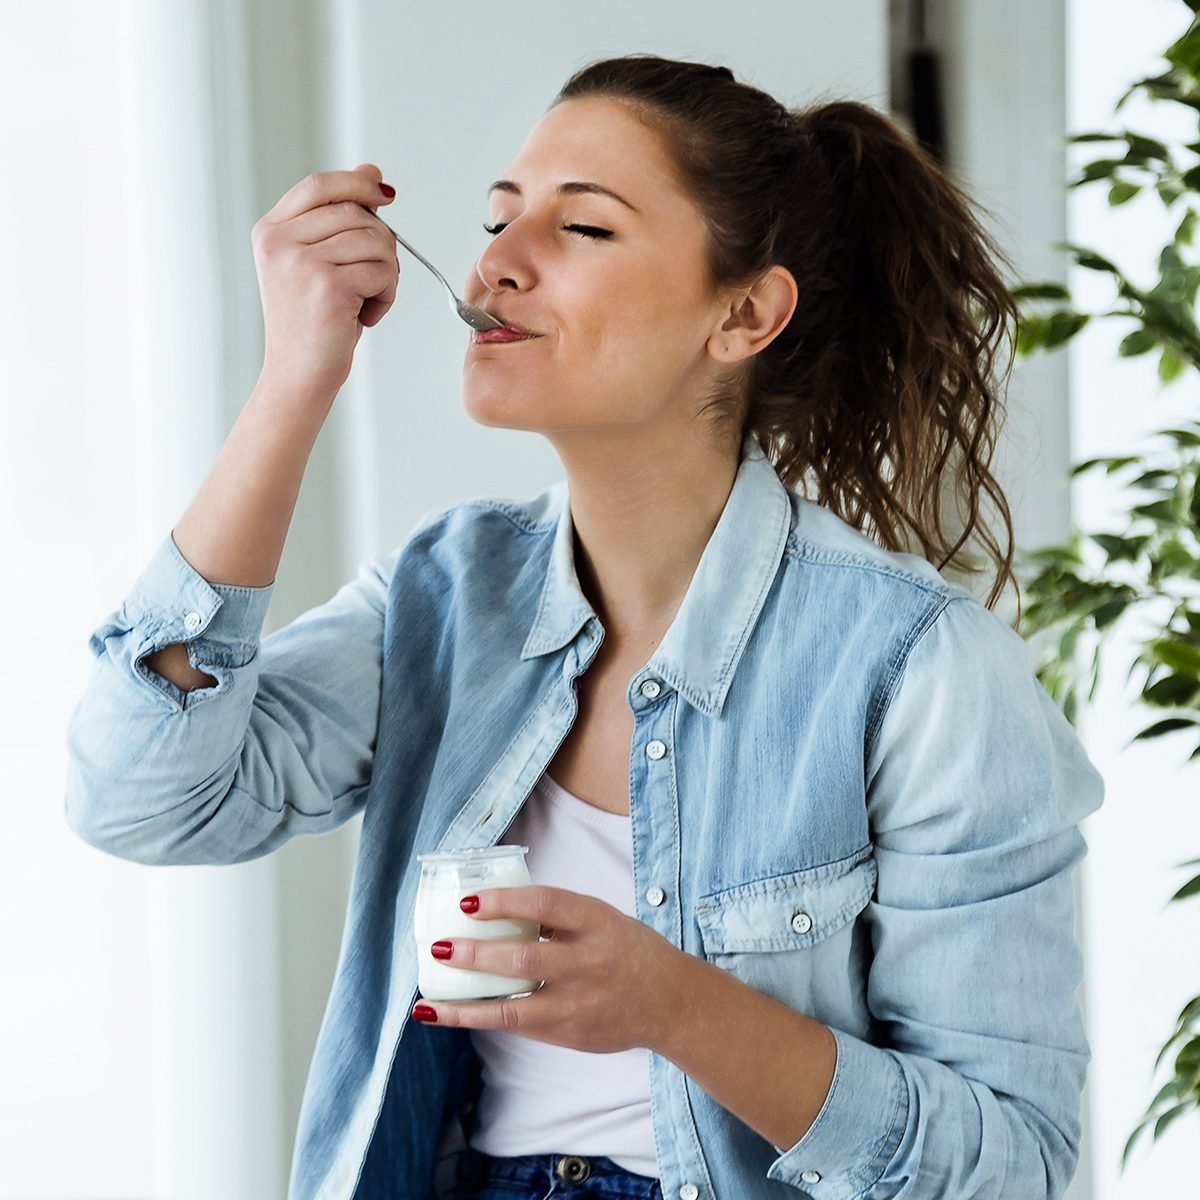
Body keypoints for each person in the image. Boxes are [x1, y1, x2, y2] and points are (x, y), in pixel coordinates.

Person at [64, 52, 1105, 1200]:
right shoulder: (444, 596)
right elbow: (143, 799)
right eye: (499, 219)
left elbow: (1012, 1166)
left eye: (583, 229)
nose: (497, 263)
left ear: (744, 312)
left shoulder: (920, 668)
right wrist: (293, 382)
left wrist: (673, 1005)